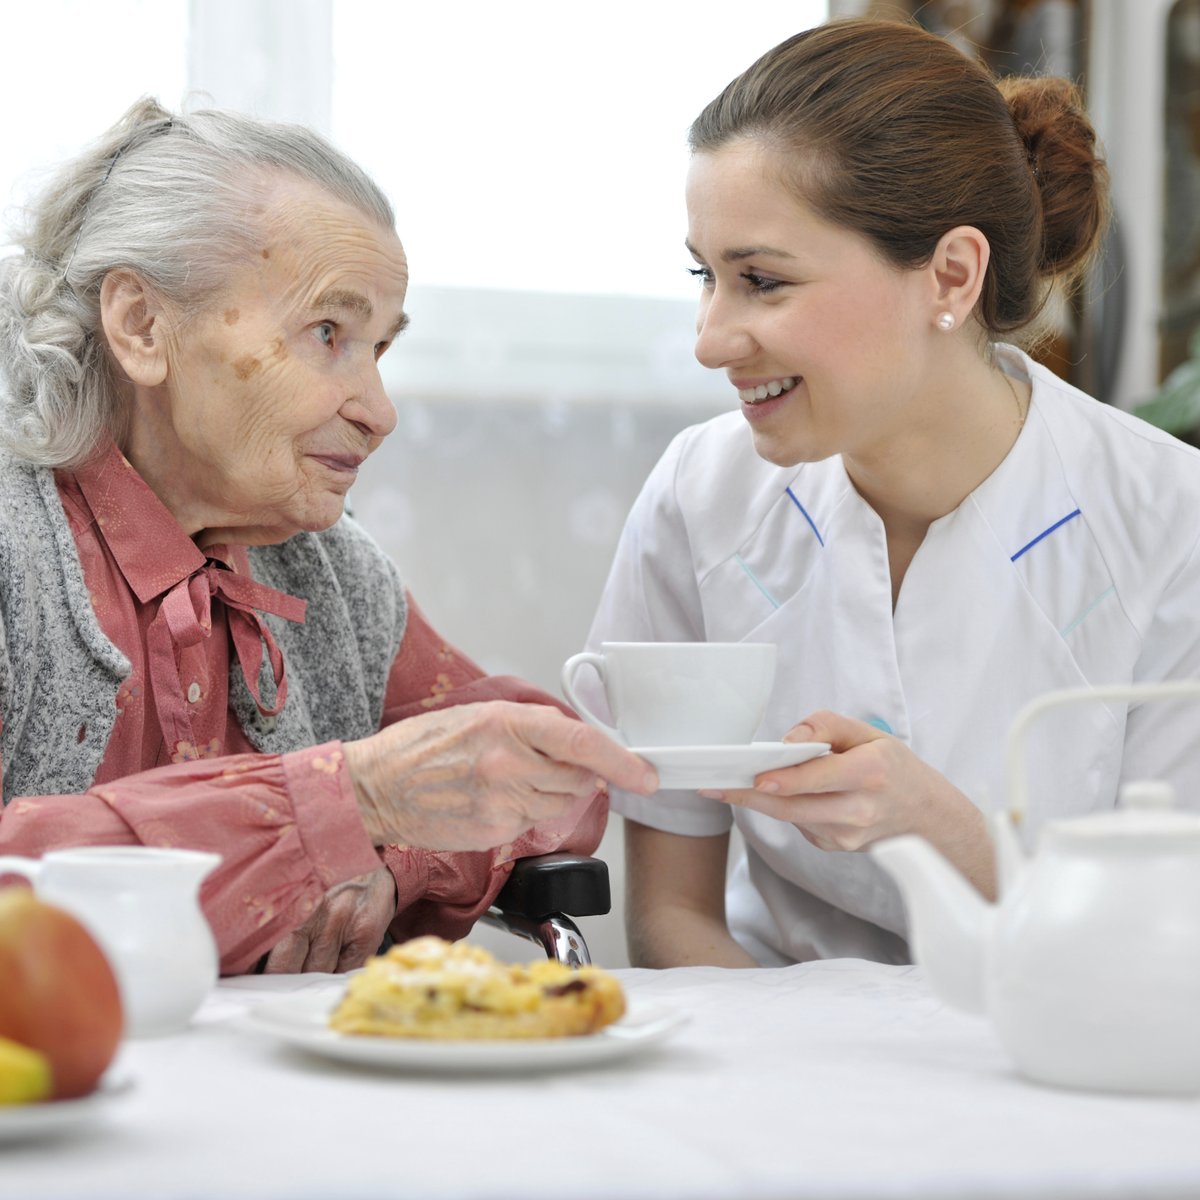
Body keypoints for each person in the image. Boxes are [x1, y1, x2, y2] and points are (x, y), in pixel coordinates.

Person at [585, 18, 1200, 968]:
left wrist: (937, 826)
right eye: (705, 277)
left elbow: (1164, 945)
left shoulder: (1169, 521)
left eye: (762, 281)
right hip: (765, 1047)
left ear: (950, 274)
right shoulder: (699, 494)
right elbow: (676, 920)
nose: (710, 338)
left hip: (1063, 1050)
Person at [0, 97, 658, 976]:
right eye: (327, 333)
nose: (378, 411)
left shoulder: (331, 570)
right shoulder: (17, 550)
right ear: (142, 326)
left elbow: (547, 769)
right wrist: (348, 804)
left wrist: (391, 850)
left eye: (379, 347)